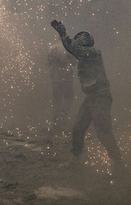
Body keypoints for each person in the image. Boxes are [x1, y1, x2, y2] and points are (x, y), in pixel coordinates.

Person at [50, 19, 123, 170]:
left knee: (103, 132)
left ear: (85, 41)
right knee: (77, 129)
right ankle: (76, 159)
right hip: (91, 97)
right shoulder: (83, 54)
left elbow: (73, 48)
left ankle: (118, 163)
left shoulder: (93, 53)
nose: (76, 42)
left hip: (101, 97)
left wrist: (63, 34)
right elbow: (71, 52)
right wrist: (62, 36)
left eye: (79, 40)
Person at [47, 42, 76, 135]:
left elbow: (48, 63)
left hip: (55, 78)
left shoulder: (51, 48)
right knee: (69, 98)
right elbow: (74, 62)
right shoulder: (67, 47)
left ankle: (54, 123)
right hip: (66, 78)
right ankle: (62, 120)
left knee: (57, 100)